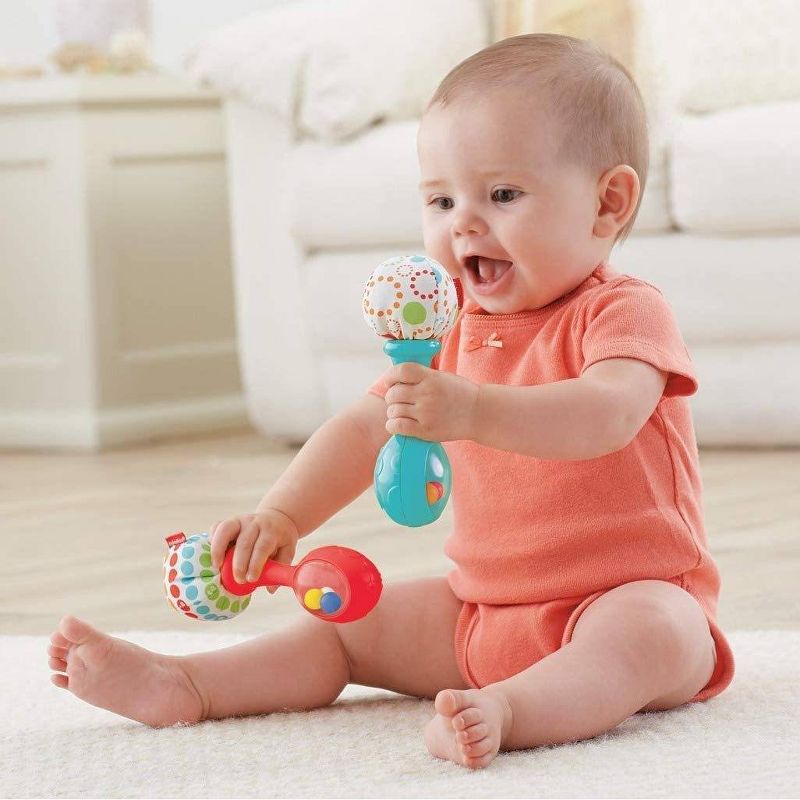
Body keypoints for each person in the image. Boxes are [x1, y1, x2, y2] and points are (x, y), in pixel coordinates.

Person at [47, 33, 734, 770]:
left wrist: (471, 411)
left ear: (607, 202)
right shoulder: (448, 328)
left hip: (624, 601)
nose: (463, 223)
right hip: (481, 611)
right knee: (345, 625)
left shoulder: (623, 313)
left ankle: (511, 710)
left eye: (502, 195)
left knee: (653, 631)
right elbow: (360, 430)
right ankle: (192, 684)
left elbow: (606, 415)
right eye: (441, 200)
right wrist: (282, 517)